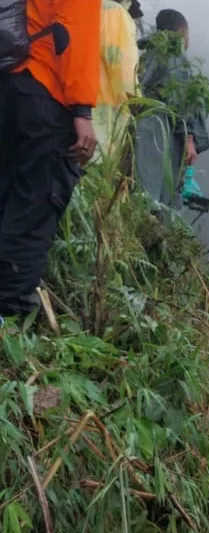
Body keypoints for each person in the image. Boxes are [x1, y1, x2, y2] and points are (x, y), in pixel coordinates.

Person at [0, 0, 101, 321]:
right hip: (46, 93)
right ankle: (9, 321)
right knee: (32, 213)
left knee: (7, 200)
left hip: (11, 86)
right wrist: (82, 110)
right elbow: (72, 34)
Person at [134, 8, 208, 210]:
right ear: (182, 32)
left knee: (145, 184)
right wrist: (189, 138)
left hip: (143, 123)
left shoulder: (145, 55)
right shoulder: (175, 53)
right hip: (163, 128)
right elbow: (179, 98)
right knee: (159, 191)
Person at [94, 0, 140, 160]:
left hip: (75, 104)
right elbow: (123, 70)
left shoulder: (86, 6)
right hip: (105, 113)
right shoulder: (115, 12)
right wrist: (139, 104)